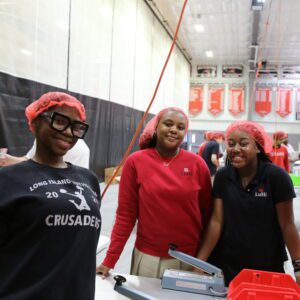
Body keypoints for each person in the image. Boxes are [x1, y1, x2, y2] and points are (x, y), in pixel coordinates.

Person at [0, 92, 101, 299]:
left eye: (76, 126)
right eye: (60, 121)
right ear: (35, 122)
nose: (68, 132)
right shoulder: (7, 180)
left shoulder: (88, 180)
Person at [97, 107, 212, 279]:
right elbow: (125, 216)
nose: (174, 130)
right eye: (168, 124)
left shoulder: (198, 165)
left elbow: (207, 215)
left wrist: (201, 262)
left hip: (188, 259)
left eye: (181, 128)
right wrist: (109, 261)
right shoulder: (135, 162)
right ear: (156, 127)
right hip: (148, 258)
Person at [196, 121, 300, 287]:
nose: (236, 148)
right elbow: (216, 222)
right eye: (231, 144)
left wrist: (298, 267)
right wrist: (199, 264)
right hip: (227, 264)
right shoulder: (223, 177)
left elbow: (287, 225)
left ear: (258, 147)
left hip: (266, 266)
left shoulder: (276, 177)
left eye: (244, 144)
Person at [0, 138, 90, 169]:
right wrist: (8, 160)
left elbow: (79, 183)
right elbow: (29, 159)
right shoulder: (41, 138)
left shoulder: (79, 148)